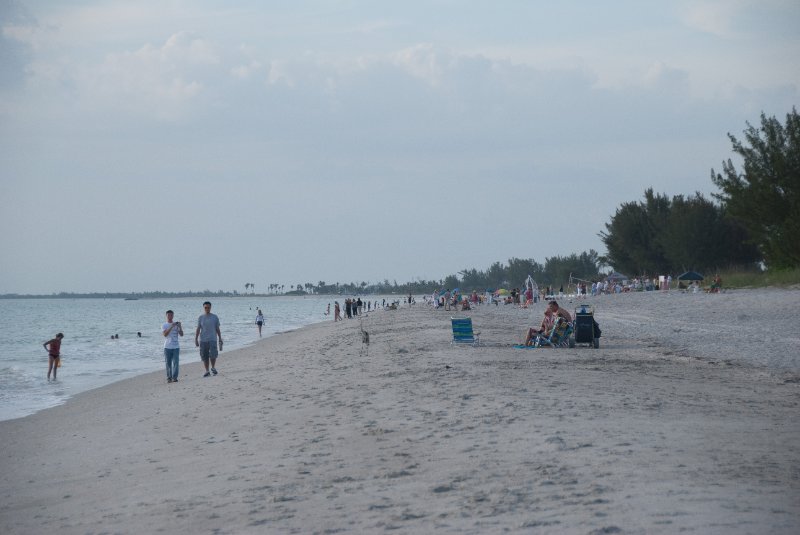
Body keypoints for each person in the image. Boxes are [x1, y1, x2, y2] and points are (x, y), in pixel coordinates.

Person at [195, 301, 223, 377]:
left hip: (213, 338)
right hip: (203, 340)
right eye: (205, 307)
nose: (207, 309)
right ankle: (207, 370)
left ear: (211, 307)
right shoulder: (200, 317)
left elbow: (217, 328)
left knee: (213, 354)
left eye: (208, 307)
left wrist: (220, 338)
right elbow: (198, 329)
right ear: (203, 308)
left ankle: (213, 367)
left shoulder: (215, 317)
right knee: (204, 355)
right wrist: (196, 339)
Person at [162, 310, 183, 383]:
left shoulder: (176, 325)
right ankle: (169, 378)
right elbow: (165, 335)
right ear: (166, 316)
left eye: (171, 315)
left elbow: (181, 334)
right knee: (168, 363)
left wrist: (180, 326)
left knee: (176, 362)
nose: (170, 317)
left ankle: (175, 377)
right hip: (167, 347)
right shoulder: (164, 325)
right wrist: (171, 326)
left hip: (176, 346)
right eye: (169, 315)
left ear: (173, 315)